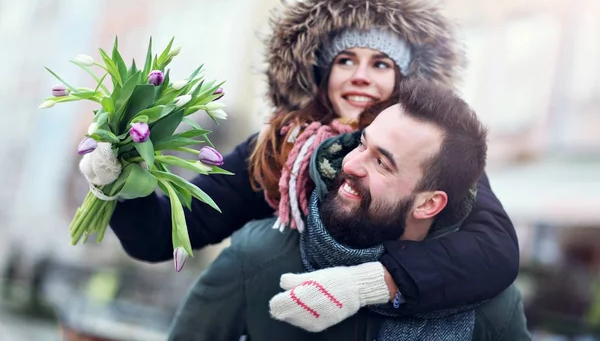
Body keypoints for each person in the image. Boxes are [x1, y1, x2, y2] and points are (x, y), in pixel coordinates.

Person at [107, 0, 519, 317]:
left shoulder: (432, 155)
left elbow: (494, 250)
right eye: (345, 61)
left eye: (380, 63)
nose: (360, 75)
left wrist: (375, 282)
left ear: (403, 82)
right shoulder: (277, 148)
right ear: (324, 75)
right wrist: (123, 185)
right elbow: (170, 232)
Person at [166, 79, 531, 340]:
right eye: (362, 143)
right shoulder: (257, 257)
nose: (353, 164)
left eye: (383, 163)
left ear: (429, 203)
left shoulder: (490, 306)